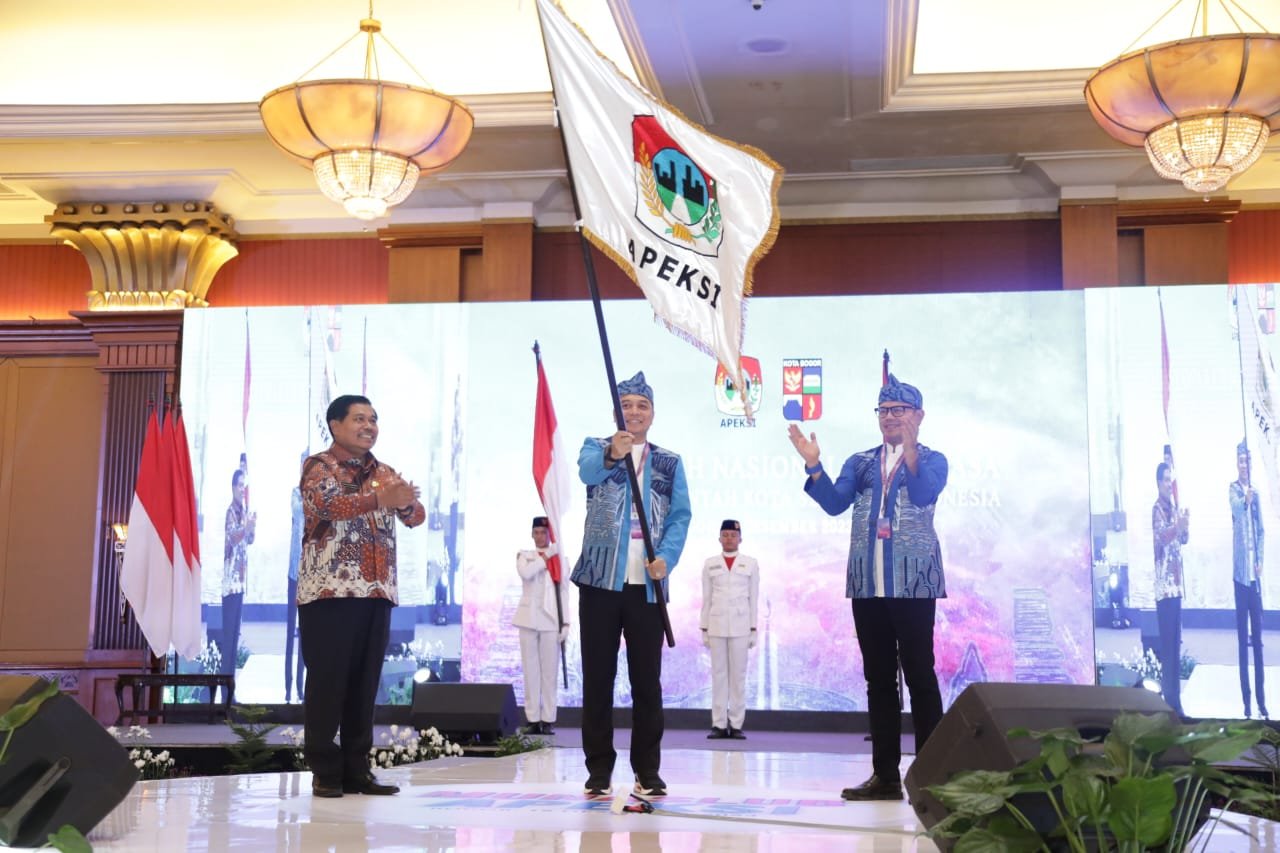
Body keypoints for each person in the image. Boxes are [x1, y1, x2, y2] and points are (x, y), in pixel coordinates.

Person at [787, 371, 946, 802]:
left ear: (918, 415)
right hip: (867, 584)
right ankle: (885, 776)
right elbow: (835, 503)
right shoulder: (860, 463)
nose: (890, 417)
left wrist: (909, 450)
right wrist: (814, 465)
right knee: (878, 679)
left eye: (899, 410)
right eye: (884, 410)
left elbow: (923, 493)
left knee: (920, 676)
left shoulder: (934, 459)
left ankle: (933, 776)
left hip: (914, 583)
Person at [298, 394, 425, 798]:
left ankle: (358, 770)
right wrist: (381, 499)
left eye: (373, 419)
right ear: (335, 425)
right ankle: (324, 770)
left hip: (376, 591)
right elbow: (328, 505)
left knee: (364, 686)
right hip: (329, 592)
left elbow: (416, 517)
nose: (368, 426)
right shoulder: (319, 466)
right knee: (328, 682)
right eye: (359, 419)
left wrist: (406, 501)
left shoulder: (383, 471)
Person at [572, 371, 691, 799]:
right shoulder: (596, 447)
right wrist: (611, 452)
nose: (634, 412)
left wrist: (667, 559)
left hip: (646, 586)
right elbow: (587, 473)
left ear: (652, 414)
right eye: (626, 405)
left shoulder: (669, 462)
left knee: (647, 681)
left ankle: (648, 770)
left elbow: (680, 516)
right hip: (600, 580)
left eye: (642, 405)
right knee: (597, 679)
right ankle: (598, 770)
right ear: (615, 412)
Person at [700, 519, 759, 740]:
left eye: (733, 535)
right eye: (725, 535)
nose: (729, 539)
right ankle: (718, 724)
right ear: (719, 538)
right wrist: (704, 628)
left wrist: (753, 628)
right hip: (716, 625)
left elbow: (754, 598)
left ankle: (735, 724)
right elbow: (706, 598)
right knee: (718, 675)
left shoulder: (750, 564)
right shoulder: (710, 564)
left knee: (738, 677)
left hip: (741, 626)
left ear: (740, 539)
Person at [514, 516, 570, 735]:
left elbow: (563, 592)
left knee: (549, 673)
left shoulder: (560, 559)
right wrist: (547, 556)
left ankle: (548, 719)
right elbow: (526, 573)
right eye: (536, 532)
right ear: (532, 534)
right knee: (530, 671)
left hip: (551, 619)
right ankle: (532, 719)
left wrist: (566, 622)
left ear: (549, 534)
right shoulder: (524, 556)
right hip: (528, 618)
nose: (539, 536)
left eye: (543, 533)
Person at [1230, 441, 1266, 719]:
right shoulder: (1234, 490)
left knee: (1258, 642)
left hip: (1254, 579)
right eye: (1241, 461)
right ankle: (1246, 701)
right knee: (1243, 641)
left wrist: (1260, 559)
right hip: (1240, 579)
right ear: (1237, 464)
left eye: (1248, 461)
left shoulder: (1257, 493)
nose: (1245, 466)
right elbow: (1237, 511)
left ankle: (1262, 700)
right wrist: (1246, 499)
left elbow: (1261, 530)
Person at [1152, 460, 1189, 717]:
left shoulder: (1174, 508)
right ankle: (1169, 703)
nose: (1169, 484)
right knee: (1167, 648)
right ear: (1158, 483)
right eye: (1166, 480)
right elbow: (1163, 537)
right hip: (1164, 590)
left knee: (1176, 646)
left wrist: (1185, 525)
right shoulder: (1157, 509)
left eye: (1171, 480)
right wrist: (1178, 527)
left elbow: (1182, 539)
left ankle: (1176, 701)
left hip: (1176, 588)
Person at [221, 466, 255, 676]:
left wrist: (252, 527)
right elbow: (233, 538)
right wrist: (245, 528)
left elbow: (249, 540)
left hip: (241, 582)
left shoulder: (243, 511)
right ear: (233, 487)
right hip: (230, 585)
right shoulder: (231, 512)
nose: (243, 489)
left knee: (235, 637)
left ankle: (230, 685)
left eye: (244, 486)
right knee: (228, 638)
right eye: (240, 485)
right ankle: (225, 685)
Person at [285, 450, 307, 703]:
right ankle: (288, 687)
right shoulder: (296, 493)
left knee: (306, 633)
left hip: (311, 574)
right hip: (294, 572)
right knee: (290, 630)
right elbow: (299, 511)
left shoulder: (319, 494)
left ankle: (302, 688)